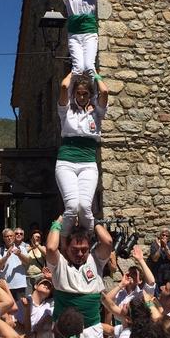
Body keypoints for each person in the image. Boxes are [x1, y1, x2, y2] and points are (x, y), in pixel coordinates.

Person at [55, 72, 108, 236]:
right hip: (66, 162)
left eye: (85, 93)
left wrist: (95, 74)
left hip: (88, 163)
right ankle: (64, 243)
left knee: (85, 206)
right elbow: (64, 86)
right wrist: (75, 72)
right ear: (74, 93)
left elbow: (105, 92)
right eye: (78, 93)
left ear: (90, 95)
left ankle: (88, 241)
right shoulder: (66, 111)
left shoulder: (97, 112)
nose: (82, 96)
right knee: (71, 207)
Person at [46, 219, 113, 338]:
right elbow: (50, 247)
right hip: (63, 332)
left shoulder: (95, 261)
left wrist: (91, 219)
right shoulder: (59, 264)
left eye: (84, 249)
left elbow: (108, 242)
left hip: (91, 331)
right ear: (66, 249)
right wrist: (59, 221)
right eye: (75, 249)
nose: (80, 253)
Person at [56, 0, 99, 78]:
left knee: (89, 66)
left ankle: (95, 91)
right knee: (78, 67)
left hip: (89, 34)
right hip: (74, 36)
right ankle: (71, 93)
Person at [0, 228, 30, 300]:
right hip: (5, 286)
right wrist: (6, 256)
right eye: (6, 236)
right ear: (3, 238)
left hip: (20, 285)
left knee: (20, 308)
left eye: (11, 236)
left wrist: (19, 255)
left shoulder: (21, 249)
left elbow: (27, 262)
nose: (9, 238)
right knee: (8, 309)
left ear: (14, 237)